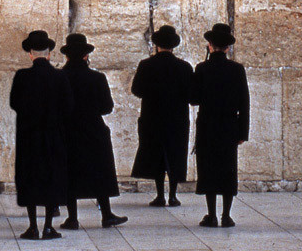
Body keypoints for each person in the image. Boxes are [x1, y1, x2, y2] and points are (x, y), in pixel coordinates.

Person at [58, 34, 128, 230]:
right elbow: (107, 107)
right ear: (86, 55)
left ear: (67, 56)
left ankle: (72, 218)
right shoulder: (97, 78)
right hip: (93, 129)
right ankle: (106, 214)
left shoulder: (60, 77)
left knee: (71, 173)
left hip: (69, 131)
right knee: (100, 171)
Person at [10, 30, 74, 240]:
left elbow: (14, 103)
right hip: (54, 136)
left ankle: (32, 227)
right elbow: (68, 107)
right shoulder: (60, 76)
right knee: (51, 177)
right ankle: (48, 227)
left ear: (30, 53)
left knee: (29, 177)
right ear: (48, 54)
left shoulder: (22, 77)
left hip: (29, 135)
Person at [191, 23, 249, 228]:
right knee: (227, 169)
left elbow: (194, 99)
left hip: (207, 125)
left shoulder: (202, 68)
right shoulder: (237, 69)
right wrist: (243, 132)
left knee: (208, 169)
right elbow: (244, 103)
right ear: (227, 48)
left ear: (210, 45)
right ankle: (226, 215)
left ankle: (211, 215)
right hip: (229, 126)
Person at [131, 25, 193, 208]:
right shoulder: (184, 67)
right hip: (177, 119)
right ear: (173, 46)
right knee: (174, 155)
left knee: (157, 156)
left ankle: (159, 195)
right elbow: (192, 95)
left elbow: (136, 90)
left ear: (157, 44)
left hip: (153, 117)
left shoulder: (146, 65)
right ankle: (173, 195)